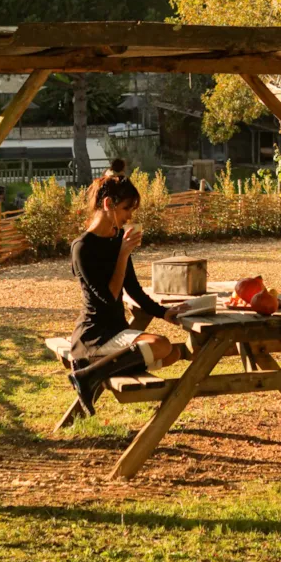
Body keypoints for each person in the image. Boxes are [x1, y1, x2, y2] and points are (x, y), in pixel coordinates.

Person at [67, 159, 189, 416]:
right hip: (94, 336)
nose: (129, 217)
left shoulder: (116, 240)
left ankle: (92, 373)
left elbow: (133, 289)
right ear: (108, 204)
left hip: (116, 332)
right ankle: (88, 375)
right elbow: (109, 297)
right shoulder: (83, 247)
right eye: (126, 209)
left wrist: (164, 313)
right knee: (160, 345)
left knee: (172, 353)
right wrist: (123, 254)